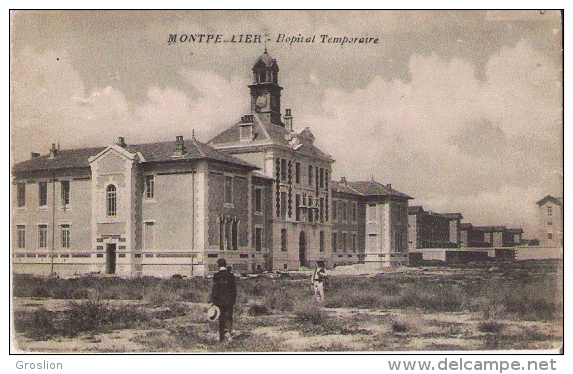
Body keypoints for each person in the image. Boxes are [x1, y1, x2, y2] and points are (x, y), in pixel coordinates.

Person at [210, 258, 237, 343]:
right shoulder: (231, 275)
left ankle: (222, 338)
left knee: (221, 318)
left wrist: (213, 301)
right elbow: (234, 290)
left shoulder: (216, 276)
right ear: (225, 265)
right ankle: (228, 334)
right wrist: (233, 300)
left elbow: (215, 290)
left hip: (219, 302)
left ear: (218, 266)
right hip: (229, 301)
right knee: (229, 317)